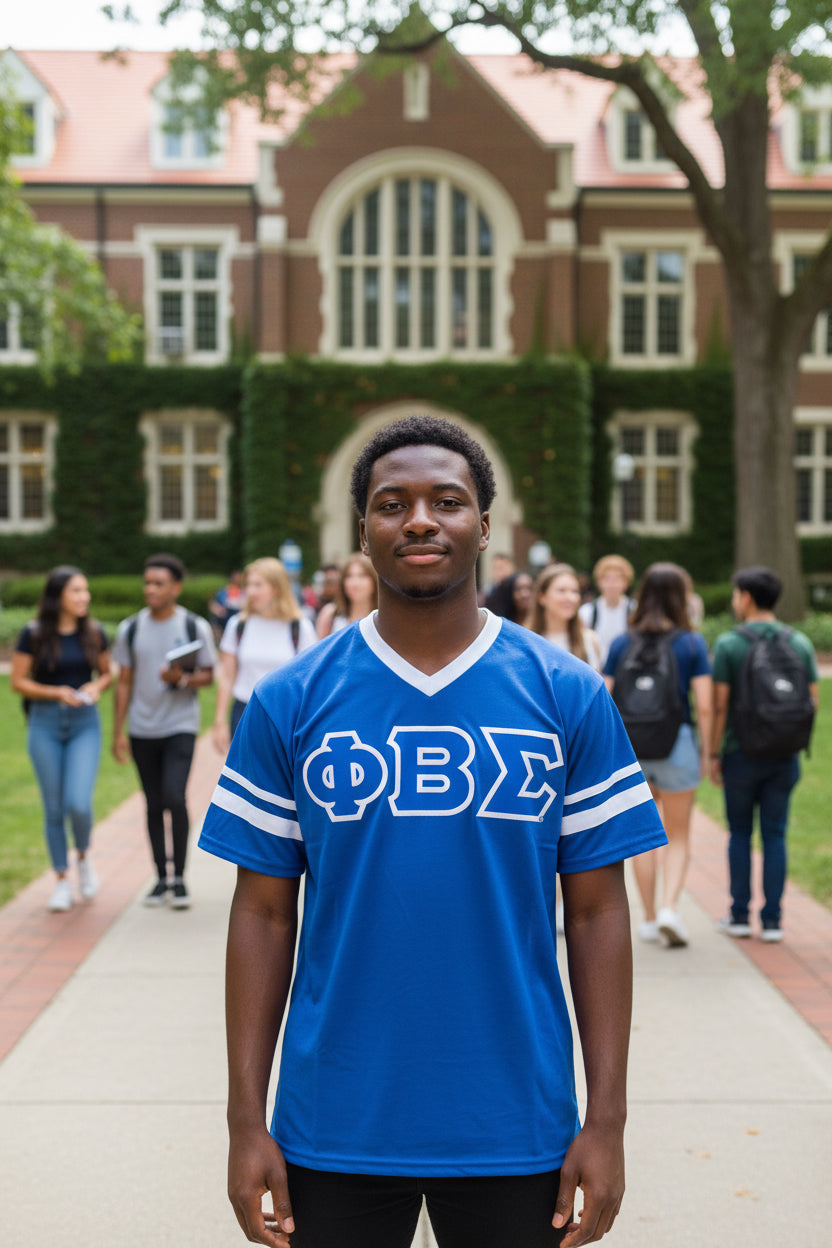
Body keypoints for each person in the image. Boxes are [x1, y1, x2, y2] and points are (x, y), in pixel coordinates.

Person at [199, 414, 666, 1248]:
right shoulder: (289, 701)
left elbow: (598, 911)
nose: (419, 520)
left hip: (516, 1120)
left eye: (447, 501)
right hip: (332, 1117)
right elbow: (263, 914)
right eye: (393, 504)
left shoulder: (567, 694)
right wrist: (244, 1120)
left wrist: (608, 1120)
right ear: (364, 530)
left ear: (483, 526)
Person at [604, 563, 712, 948]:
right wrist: (707, 751)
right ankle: (669, 908)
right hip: (676, 743)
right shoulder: (691, 644)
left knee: (644, 835)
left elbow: (604, 698)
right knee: (678, 833)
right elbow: (704, 705)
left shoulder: (622, 642)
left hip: (633, 746)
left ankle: (649, 919)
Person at [709, 566, 819, 943]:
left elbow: (719, 705)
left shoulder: (729, 644)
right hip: (784, 754)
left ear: (746, 597)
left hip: (741, 753)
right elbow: (813, 701)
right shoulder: (799, 642)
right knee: (775, 835)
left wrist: (713, 752)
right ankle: (773, 921)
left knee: (740, 833)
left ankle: (739, 915)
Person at [112, 553, 216, 909]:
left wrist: (181, 678)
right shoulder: (130, 628)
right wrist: (118, 731)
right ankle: (160, 878)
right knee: (153, 803)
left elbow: (208, 675)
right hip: (142, 728)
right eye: (147, 583)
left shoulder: (194, 626)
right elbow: (123, 682)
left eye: (158, 583)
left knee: (175, 796)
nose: (150, 589)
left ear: (176, 588)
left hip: (179, 726)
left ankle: (180, 878)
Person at [11, 566, 112, 913]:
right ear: (58, 597)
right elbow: (18, 682)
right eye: (76, 591)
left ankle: (82, 856)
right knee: (53, 808)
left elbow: (108, 673)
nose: (85, 597)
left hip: (85, 724)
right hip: (45, 724)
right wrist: (56, 693)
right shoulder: (34, 634)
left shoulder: (94, 633)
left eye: (86, 590)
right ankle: (61, 879)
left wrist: (95, 687)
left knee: (78, 803)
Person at [213, 557, 317, 753]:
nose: (250, 591)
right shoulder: (238, 625)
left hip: (286, 715)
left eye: (258, 585)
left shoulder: (299, 627)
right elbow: (226, 677)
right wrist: (220, 722)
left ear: (276, 588)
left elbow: (309, 680)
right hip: (245, 712)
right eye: (248, 585)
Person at [532, 563, 603, 671]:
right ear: (542, 597)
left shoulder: (590, 640)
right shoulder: (528, 641)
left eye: (575, 591)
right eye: (561, 590)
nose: (571, 598)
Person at [578, 555, 636, 666]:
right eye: (607, 579)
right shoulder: (587, 611)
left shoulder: (634, 610)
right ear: (599, 582)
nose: (612, 584)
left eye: (618, 579)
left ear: (626, 583)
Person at [315, 551, 378, 639]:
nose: (355, 582)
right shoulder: (330, 615)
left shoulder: (384, 620)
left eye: (362, 576)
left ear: (374, 581)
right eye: (349, 576)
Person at [209, 570, 245, 643]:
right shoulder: (224, 591)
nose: (237, 579)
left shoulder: (245, 592)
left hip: (239, 614)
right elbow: (213, 604)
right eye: (236, 577)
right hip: (224, 615)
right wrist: (218, 610)